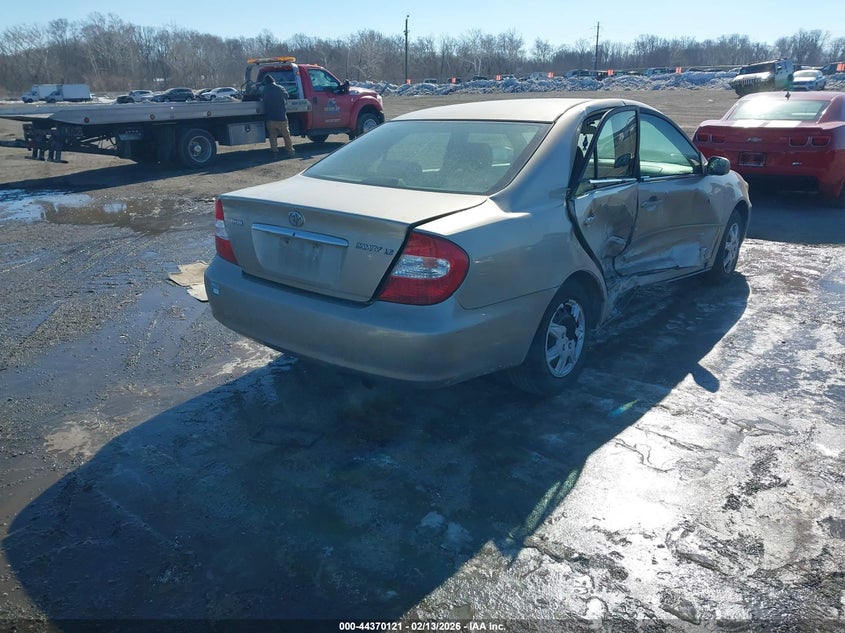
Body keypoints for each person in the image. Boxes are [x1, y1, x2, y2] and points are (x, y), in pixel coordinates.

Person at [262, 74, 295, 159]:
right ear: (273, 80)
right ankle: (290, 152)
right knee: (286, 135)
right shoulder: (280, 88)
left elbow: (262, 99)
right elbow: (287, 96)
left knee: (272, 136)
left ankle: (274, 153)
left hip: (270, 117)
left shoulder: (265, 89)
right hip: (281, 116)